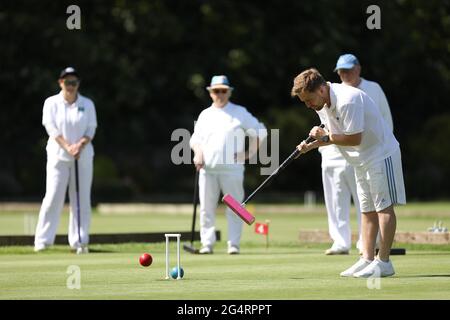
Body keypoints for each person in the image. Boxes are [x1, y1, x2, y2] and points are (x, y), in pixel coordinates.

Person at [291, 68, 405, 277]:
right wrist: (311, 145)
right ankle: (367, 259)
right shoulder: (322, 103)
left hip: (380, 153)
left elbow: (353, 138)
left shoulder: (348, 99)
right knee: (367, 209)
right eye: (304, 102)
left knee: (383, 208)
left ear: (322, 89)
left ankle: (385, 262)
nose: (308, 105)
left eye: (309, 99)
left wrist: (323, 138)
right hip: (360, 159)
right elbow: (333, 132)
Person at [318, 54, 394, 255]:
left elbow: (385, 120)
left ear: (358, 69)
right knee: (335, 200)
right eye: (342, 71)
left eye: (349, 70)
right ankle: (340, 242)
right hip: (332, 154)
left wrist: (380, 150)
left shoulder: (373, 88)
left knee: (365, 200)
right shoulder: (329, 93)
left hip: (363, 152)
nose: (346, 74)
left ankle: (366, 244)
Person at [190, 75, 267, 254]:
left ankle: (233, 244)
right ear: (210, 93)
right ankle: (207, 244)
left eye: (223, 91)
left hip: (232, 171)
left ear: (229, 92)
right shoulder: (205, 115)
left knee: (235, 209)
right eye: (216, 91)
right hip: (207, 170)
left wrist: (248, 154)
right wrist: (198, 153)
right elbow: (196, 140)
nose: (220, 94)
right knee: (206, 209)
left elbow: (260, 132)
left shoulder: (239, 112)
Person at [34, 67, 97, 254]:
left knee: (81, 199)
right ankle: (43, 241)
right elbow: (50, 127)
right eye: (67, 82)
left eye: (74, 82)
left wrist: (80, 145)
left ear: (78, 84)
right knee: (53, 196)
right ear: (60, 82)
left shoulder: (87, 104)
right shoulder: (51, 103)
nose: (71, 86)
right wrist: (68, 146)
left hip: (83, 157)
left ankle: (79, 241)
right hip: (58, 156)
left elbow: (91, 128)